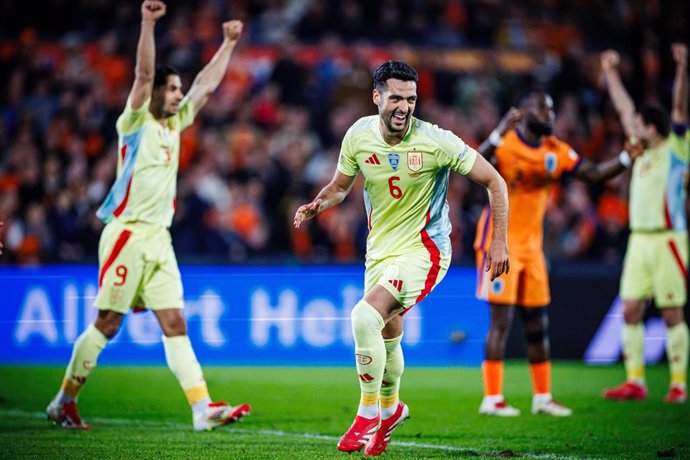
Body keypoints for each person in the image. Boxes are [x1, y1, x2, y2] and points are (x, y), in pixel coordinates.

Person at [46, 0, 250, 430]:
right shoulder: (135, 123)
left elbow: (206, 87)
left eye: (179, 89)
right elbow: (142, 74)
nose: (179, 95)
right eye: (173, 89)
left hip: (159, 237)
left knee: (175, 322)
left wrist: (228, 44)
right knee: (108, 322)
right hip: (126, 235)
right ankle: (64, 400)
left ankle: (202, 409)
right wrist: (147, 24)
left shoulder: (176, 125)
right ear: (156, 93)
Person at [294, 61, 510, 456]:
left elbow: (495, 180)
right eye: (395, 97)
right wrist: (318, 203)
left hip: (424, 251)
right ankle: (392, 410)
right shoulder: (358, 135)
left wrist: (499, 241)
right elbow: (341, 187)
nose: (404, 107)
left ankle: (367, 413)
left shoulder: (436, 141)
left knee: (363, 317)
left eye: (410, 99)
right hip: (379, 252)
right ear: (376, 97)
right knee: (388, 336)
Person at [474, 89, 643, 416]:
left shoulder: (555, 151)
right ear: (524, 112)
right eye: (543, 109)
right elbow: (472, 166)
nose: (550, 115)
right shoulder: (507, 145)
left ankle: (542, 397)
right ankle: (492, 398)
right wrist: (497, 132)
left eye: (552, 109)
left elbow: (592, 173)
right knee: (501, 323)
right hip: (498, 244)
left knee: (537, 323)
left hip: (533, 249)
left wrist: (625, 158)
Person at [600, 44, 689, 404]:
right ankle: (635, 381)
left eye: (638, 124)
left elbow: (680, 107)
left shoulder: (677, 148)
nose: (632, 127)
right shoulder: (641, 149)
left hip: (669, 238)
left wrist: (682, 66)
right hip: (639, 240)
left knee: (671, 312)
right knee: (632, 309)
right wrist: (609, 72)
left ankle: (679, 384)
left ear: (653, 127)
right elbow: (623, 108)